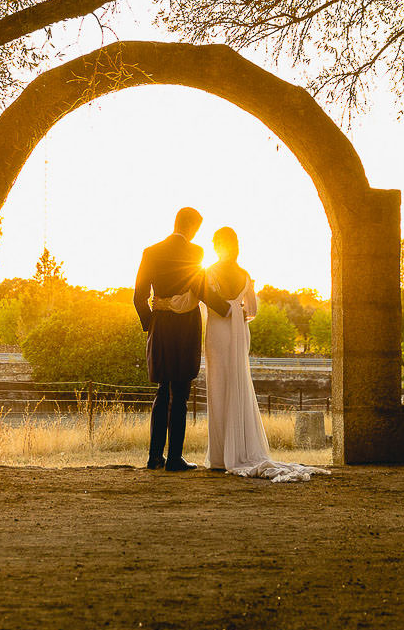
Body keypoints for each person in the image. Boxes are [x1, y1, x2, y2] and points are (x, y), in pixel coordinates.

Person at [203, 226, 328, 483]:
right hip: (238, 333)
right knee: (239, 382)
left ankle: (219, 456)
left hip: (217, 330)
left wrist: (225, 310)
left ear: (218, 245)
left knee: (218, 385)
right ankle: (238, 449)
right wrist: (237, 312)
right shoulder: (244, 274)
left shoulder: (210, 272)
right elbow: (253, 310)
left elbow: (206, 301)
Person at [133, 207, 229, 471]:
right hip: (186, 327)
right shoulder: (195, 253)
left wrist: (151, 323)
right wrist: (228, 309)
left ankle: (154, 457)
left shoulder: (150, 252)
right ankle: (174, 458)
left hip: (161, 326)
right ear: (193, 227)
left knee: (162, 391)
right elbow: (202, 289)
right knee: (181, 394)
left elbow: (138, 297)